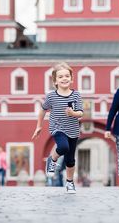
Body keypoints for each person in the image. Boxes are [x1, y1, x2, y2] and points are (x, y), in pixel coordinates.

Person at [32, 62, 83, 194]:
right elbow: (43, 110)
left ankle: (70, 183)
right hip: (57, 128)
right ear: (55, 81)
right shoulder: (51, 96)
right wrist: (39, 126)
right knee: (63, 147)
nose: (64, 78)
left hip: (73, 130)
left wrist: (73, 113)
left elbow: (81, 113)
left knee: (70, 160)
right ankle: (52, 159)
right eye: (60, 77)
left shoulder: (76, 95)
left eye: (67, 76)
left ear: (71, 79)